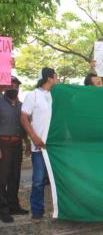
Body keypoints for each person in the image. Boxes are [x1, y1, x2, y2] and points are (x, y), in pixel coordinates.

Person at [20, 67, 58, 220]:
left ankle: (59, 209)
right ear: (49, 78)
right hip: (40, 147)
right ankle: (37, 211)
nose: (57, 79)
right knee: (38, 181)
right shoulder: (33, 95)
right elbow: (24, 118)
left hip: (56, 147)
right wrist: (34, 137)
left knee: (58, 179)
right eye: (56, 76)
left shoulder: (57, 95)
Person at [0, 76, 30, 223]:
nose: (13, 88)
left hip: (17, 144)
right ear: (5, 88)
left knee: (15, 176)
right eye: (10, 85)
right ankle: (3, 209)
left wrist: (28, 143)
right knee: (2, 178)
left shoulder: (22, 105)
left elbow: (24, 126)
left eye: (16, 86)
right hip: (3, 144)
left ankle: (14, 205)